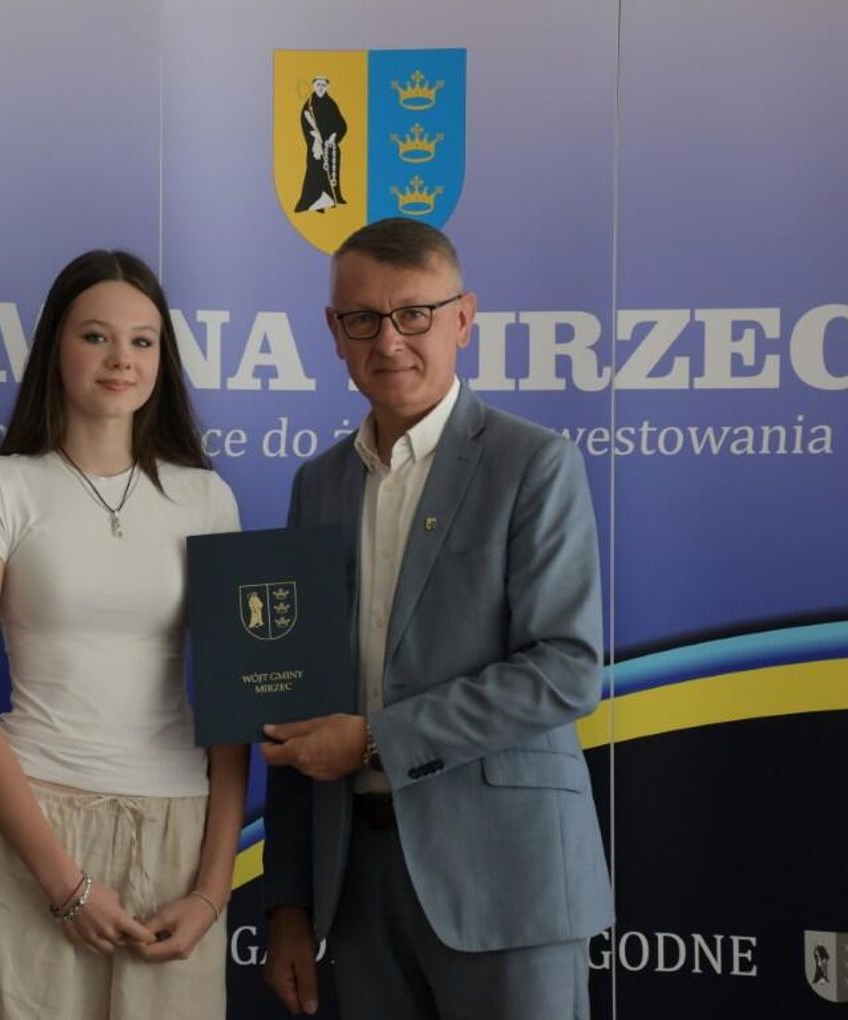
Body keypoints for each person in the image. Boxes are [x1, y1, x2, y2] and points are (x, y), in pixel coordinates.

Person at [260, 218, 613, 1019]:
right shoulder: (317, 486)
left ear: (463, 318)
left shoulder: (534, 464)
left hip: (509, 882)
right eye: (363, 318)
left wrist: (377, 739)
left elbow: (565, 669)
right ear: (335, 332)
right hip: (358, 885)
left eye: (414, 313)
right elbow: (290, 697)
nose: (389, 341)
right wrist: (288, 905)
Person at [0, 249, 247, 1018]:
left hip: (177, 833)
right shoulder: (0, 487)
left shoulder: (208, 499)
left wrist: (212, 892)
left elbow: (234, 711)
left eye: (143, 341)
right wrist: (65, 884)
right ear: (56, 347)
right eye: (96, 336)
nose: (122, 360)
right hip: (33, 828)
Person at [294, 75, 347, 214]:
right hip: (316, 147)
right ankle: (316, 203)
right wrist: (315, 138)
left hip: (331, 146)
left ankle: (334, 197)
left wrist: (334, 135)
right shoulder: (308, 105)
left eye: (323, 85)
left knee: (332, 172)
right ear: (314, 86)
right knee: (316, 173)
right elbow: (306, 125)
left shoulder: (331, 104)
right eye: (318, 84)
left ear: (327, 87)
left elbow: (341, 124)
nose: (321, 87)